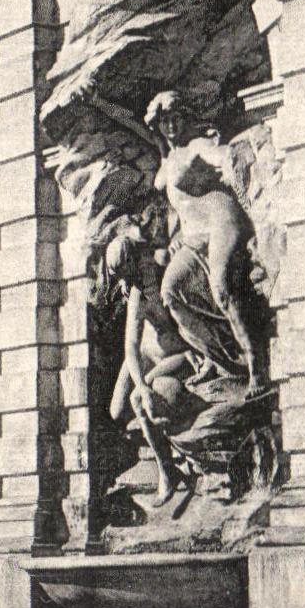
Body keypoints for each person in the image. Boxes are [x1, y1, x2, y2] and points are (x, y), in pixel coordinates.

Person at [144, 91, 268, 398]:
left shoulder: (197, 146)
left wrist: (226, 156)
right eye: (164, 120)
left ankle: (257, 367)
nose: (171, 125)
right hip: (192, 236)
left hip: (221, 220)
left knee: (223, 288)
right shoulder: (167, 157)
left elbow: (221, 156)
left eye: (176, 117)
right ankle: (220, 360)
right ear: (158, 125)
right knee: (171, 293)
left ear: (185, 118)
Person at [104, 228, 193, 506]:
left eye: (124, 272)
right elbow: (130, 344)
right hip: (146, 352)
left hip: (176, 353)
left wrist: (142, 389)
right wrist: (141, 382)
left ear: (133, 261)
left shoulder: (163, 264)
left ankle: (167, 470)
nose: (123, 281)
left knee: (137, 400)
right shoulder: (136, 294)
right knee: (117, 410)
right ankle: (158, 442)